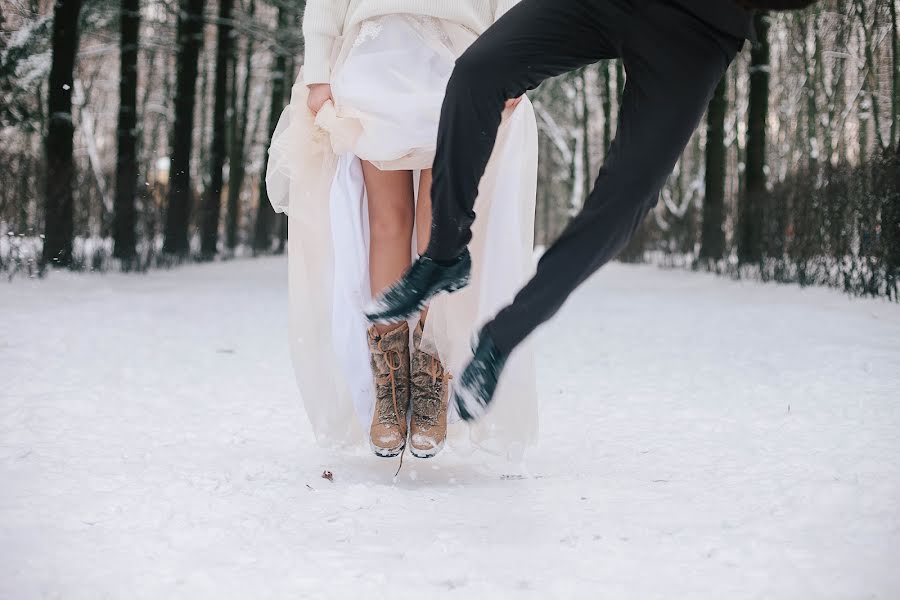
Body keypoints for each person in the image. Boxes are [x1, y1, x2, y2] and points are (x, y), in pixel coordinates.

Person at [366, 0, 820, 420]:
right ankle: (444, 256)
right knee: (478, 72)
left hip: (699, 27)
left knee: (626, 199)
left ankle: (502, 338)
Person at [266, 0, 540, 459]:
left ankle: (431, 369)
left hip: (461, 52)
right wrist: (317, 73)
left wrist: (519, 59)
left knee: (442, 218)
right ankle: (389, 381)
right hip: (375, 49)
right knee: (387, 219)